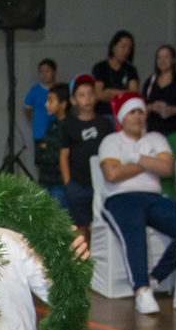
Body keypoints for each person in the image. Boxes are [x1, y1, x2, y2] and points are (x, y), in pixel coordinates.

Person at [98, 92, 176, 314]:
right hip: (120, 197)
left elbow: (167, 169)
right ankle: (142, 290)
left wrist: (135, 158)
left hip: (153, 197)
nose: (137, 116)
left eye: (141, 112)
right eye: (132, 112)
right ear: (122, 117)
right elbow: (112, 174)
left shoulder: (156, 138)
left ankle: (155, 278)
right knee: (134, 231)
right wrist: (150, 163)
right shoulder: (111, 141)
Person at [59, 75, 113, 242]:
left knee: (103, 223)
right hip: (78, 184)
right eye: (82, 95)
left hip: (103, 183)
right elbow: (63, 156)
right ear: (73, 100)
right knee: (81, 227)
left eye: (90, 94)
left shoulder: (105, 123)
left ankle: (101, 256)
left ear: (96, 96)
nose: (87, 98)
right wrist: (68, 184)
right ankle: (84, 256)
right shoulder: (68, 125)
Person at [35, 81, 75, 218]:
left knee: (59, 219)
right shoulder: (52, 125)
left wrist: (47, 149)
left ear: (63, 104)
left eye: (50, 100)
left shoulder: (71, 126)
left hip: (60, 184)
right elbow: (38, 154)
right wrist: (46, 149)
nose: (46, 104)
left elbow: (57, 156)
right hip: (45, 180)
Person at [92, 30, 140, 110]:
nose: (126, 51)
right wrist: (123, 93)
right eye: (123, 47)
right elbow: (99, 94)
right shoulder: (100, 67)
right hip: (104, 112)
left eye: (129, 48)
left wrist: (109, 92)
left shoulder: (130, 70)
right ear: (114, 47)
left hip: (124, 111)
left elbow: (134, 94)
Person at [23, 57, 58, 141]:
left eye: (47, 71)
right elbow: (27, 110)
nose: (44, 75)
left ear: (54, 72)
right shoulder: (34, 91)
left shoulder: (59, 90)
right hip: (40, 134)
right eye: (41, 72)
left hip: (57, 134)